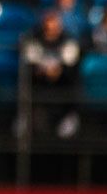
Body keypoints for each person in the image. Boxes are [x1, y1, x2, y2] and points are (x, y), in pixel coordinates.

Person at [23, 10, 81, 138]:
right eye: (49, 23)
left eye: (55, 22)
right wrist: (42, 71)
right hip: (39, 98)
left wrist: (59, 71)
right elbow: (30, 67)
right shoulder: (34, 40)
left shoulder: (68, 41)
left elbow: (71, 67)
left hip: (63, 99)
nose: (52, 27)